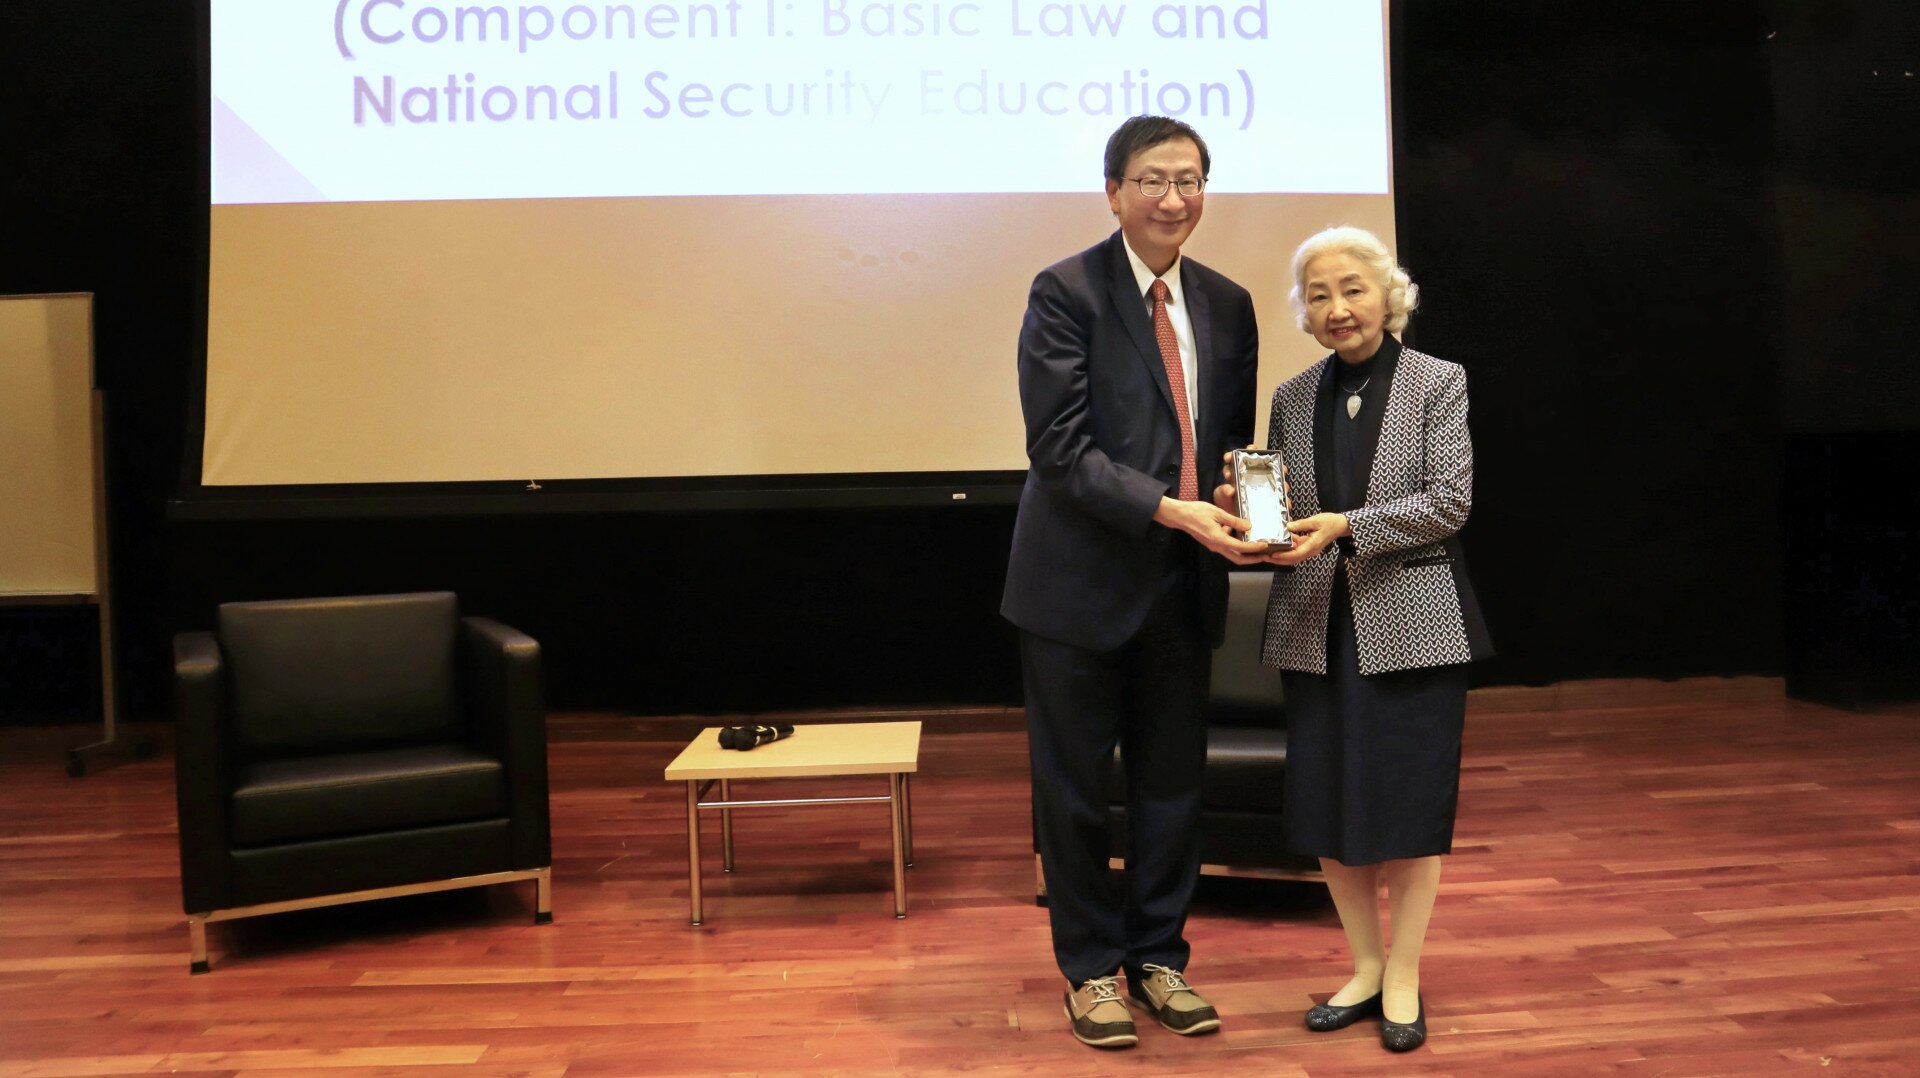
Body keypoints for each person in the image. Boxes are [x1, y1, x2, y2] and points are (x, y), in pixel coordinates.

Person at [1002, 115, 1269, 1049]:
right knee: (1074, 795)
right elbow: (1060, 450)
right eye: (1152, 179)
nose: (1172, 198)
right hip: (1077, 587)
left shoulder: (1230, 304)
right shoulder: (1066, 291)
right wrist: (1172, 508)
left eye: (1190, 179)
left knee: (1170, 787)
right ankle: (1088, 971)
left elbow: (1230, 439)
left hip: (1182, 585)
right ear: (1113, 191)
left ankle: (1158, 959)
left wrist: (1237, 491)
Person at [1222, 225, 1492, 1053]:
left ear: (1390, 296)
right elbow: (1287, 513)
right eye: (1318, 294)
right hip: (1314, 629)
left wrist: (1346, 524)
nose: (1337, 308)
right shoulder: (1293, 395)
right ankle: (1366, 967)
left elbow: (1449, 502)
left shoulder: (1437, 382)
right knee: (1329, 806)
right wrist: (1254, 507)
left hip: (1413, 629)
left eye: (1353, 289)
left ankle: (1405, 973)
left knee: (1409, 807)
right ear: (1302, 312)